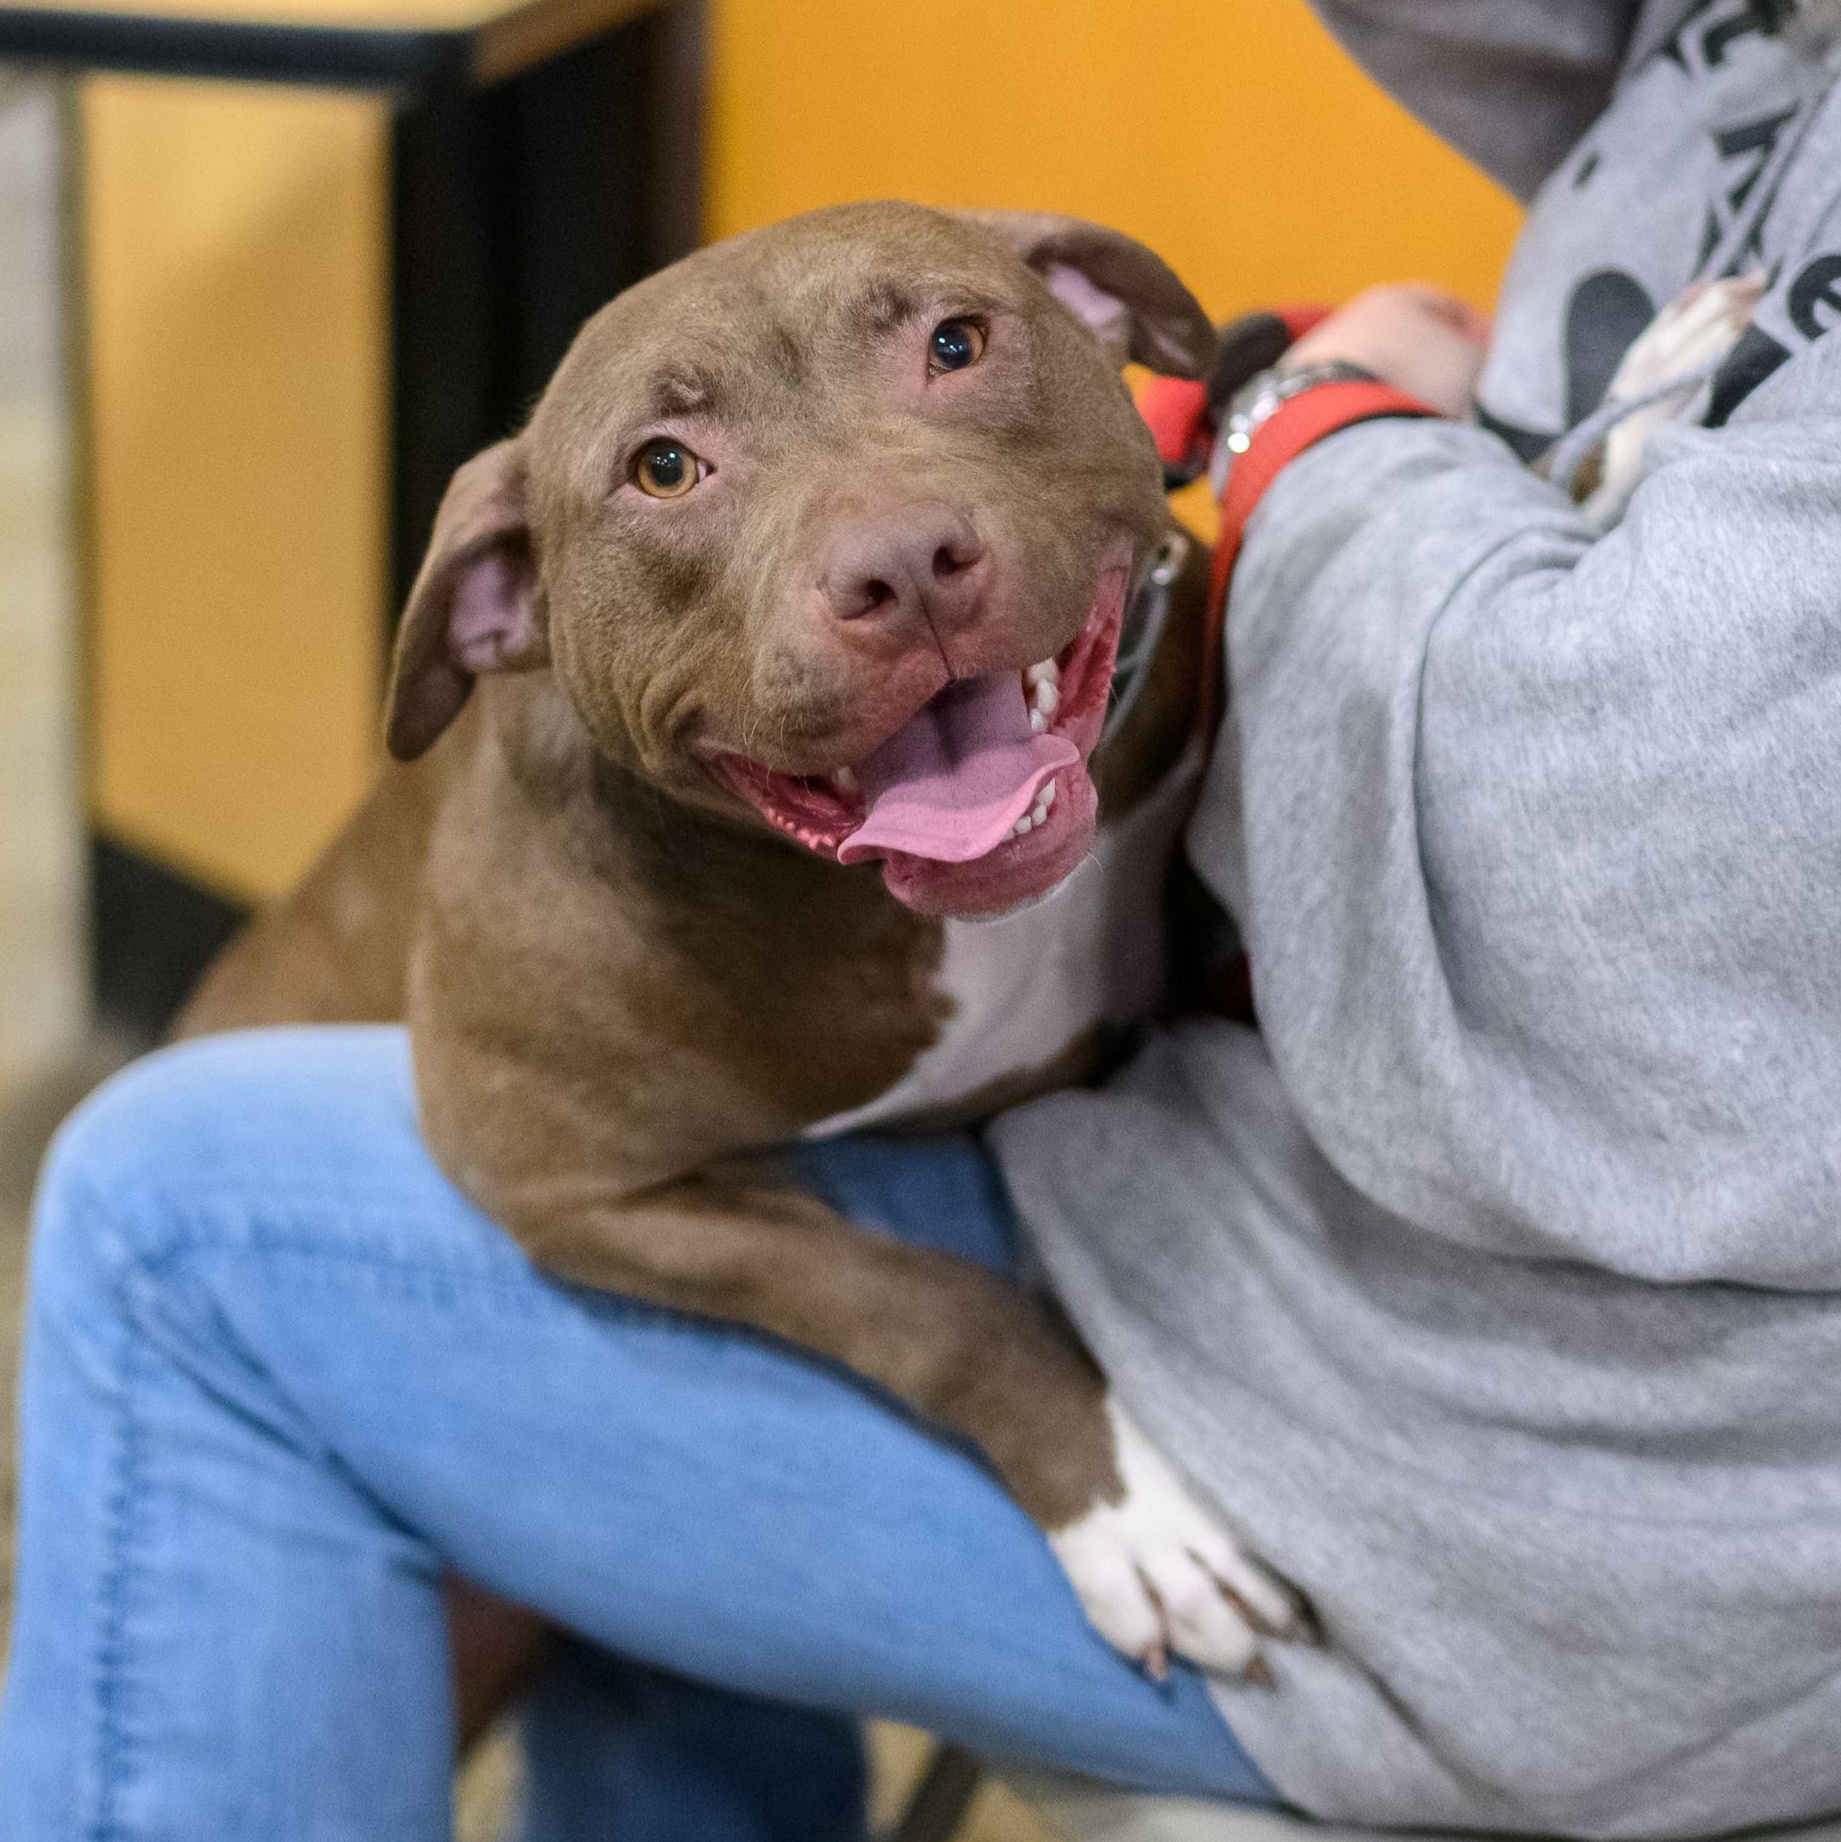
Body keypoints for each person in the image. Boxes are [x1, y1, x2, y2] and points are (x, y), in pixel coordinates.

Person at [8, 1, 1841, 1836]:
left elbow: (1621, 836)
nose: (884, 541)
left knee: (162, 1213)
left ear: (1108, 318)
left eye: (956, 346)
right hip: (1119, 1187)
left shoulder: (1212, 608)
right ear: (499, 616)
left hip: (1514, 1440)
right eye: (667, 467)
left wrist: (1314, 420)